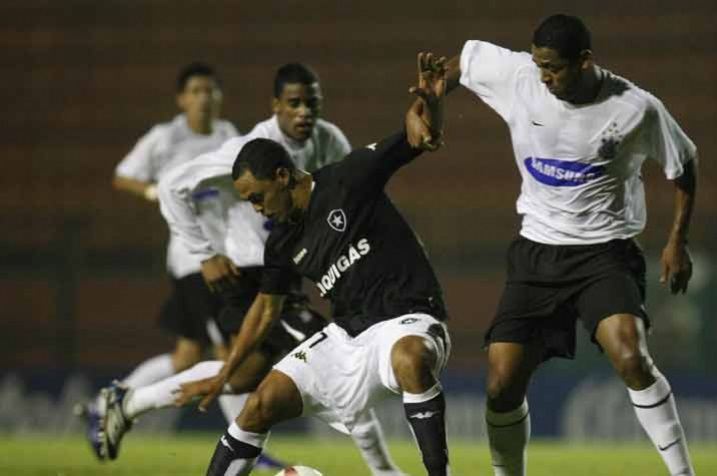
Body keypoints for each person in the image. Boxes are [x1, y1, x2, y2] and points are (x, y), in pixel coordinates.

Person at [96, 63, 408, 476]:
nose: (304, 113)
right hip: (246, 277)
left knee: (241, 376)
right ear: (275, 105)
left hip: (284, 277)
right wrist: (204, 253)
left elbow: (349, 198)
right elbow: (173, 186)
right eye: (293, 103)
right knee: (329, 357)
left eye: (311, 103)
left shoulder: (329, 140)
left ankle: (130, 402)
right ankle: (387, 473)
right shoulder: (252, 149)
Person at [440, 14, 697, 476]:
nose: (545, 77)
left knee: (630, 355)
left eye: (554, 68)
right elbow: (464, 61)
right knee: (501, 384)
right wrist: (433, 97)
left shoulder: (636, 108)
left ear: (584, 62)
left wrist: (678, 241)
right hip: (536, 253)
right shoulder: (522, 77)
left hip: (605, 252)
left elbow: (684, 165)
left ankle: (683, 472)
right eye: (539, 65)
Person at [173, 53, 452, 476]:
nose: (258, 209)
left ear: (283, 176)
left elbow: (415, 139)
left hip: (410, 317)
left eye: (257, 197)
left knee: (411, 359)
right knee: (259, 405)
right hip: (346, 337)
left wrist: (430, 108)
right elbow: (265, 310)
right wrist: (225, 374)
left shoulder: (346, 178)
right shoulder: (282, 240)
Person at [76, 61, 239, 458]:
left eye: (210, 90)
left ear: (219, 97)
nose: (204, 98)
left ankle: (107, 404)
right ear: (182, 99)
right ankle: (246, 441)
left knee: (188, 355)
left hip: (225, 256)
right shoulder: (165, 138)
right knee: (231, 352)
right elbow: (123, 174)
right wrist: (153, 193)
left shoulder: (228, 134)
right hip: (192, 260)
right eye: (196, 91)